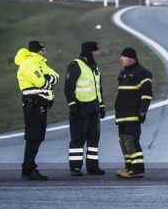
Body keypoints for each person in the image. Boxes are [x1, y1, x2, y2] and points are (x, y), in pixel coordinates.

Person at [14, 41, 59, 181]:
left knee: (37, 136)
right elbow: (41, 83)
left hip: (40, 104)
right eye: (44, 50)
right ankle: (29, 169)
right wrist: (47, 79)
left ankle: (28, 168)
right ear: (39, 51)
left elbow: (56, 76)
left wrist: (47, 78)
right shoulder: (29, 64)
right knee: (34, 136)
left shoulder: (40, 63)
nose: (45, 52)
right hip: (34, 104)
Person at [64, 41, 106, 176]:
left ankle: (93, 167)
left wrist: (101, 105)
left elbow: (98, 88)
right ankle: (75, 168)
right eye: (95, 51)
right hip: (80, 107)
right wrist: (72, 105)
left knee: (94, 139)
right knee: (78, 139)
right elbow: (68, 87)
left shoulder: (94, 66)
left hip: (94, 107)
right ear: (89, 51)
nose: (98, 53)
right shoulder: (75, 65)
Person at [114, 47, 153, 178]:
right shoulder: (123, 73)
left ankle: (138, 169)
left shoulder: (143, 73)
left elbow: (146, 95)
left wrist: (142, 111)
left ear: (132, 58)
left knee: (131, 141)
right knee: (124, 142)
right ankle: (129, 168)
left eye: (124, 56)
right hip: (121, 115)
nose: (121, 59)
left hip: (133, 115)